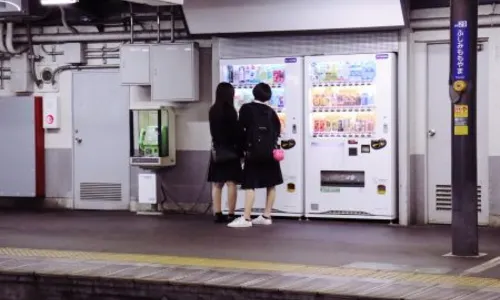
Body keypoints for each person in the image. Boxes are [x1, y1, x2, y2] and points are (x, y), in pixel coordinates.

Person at [228, 82, 283, 228]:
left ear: (254, 93)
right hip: (271, 152)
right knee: (271, 183)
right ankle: (266, 215)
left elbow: (240, 130)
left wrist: (241, 150)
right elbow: (277, 131)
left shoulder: (247, 108)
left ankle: (246, 218)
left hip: (253, 152)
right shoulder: (271, 112)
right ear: (268, 96)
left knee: (250, 184)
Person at [207, 82, 243, 223]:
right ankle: (231, 214)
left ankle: (217, 213)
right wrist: (241, 151)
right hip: (230, 150)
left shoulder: (212, 110)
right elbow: (236, 133)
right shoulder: (231, 111)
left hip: (217, 150)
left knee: (217, 183)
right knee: (231, 183)